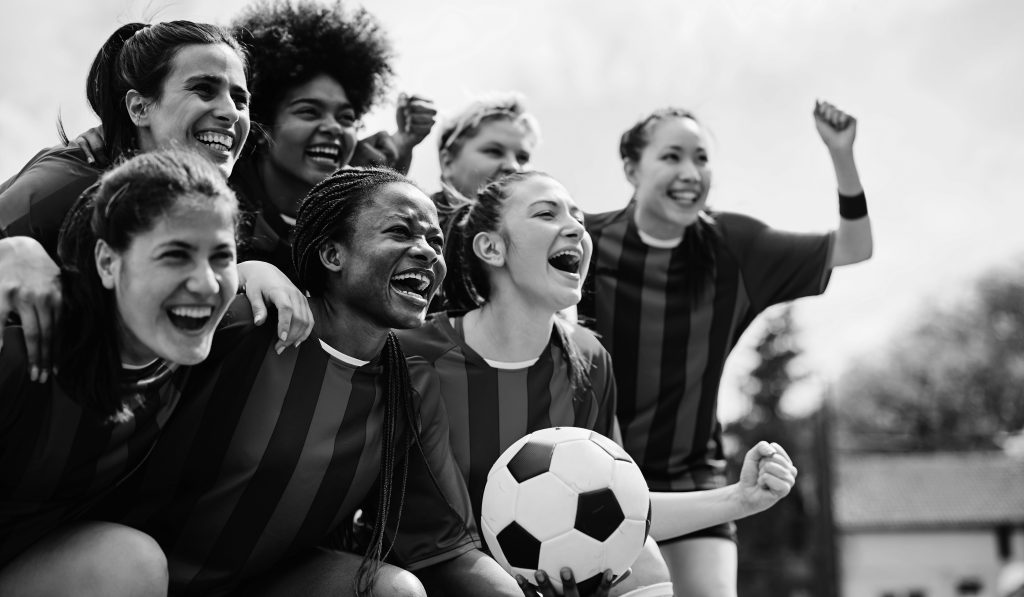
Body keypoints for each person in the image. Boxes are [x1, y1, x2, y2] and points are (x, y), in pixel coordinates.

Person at [86, 167, 527, 597]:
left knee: (393, 591)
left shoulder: (410, 386)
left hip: (261, 584)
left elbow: (446, 546)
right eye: (400, 232)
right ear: (333, 255)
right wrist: (243, 271)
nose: (429, 252)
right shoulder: (246, 326)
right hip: (129, 565)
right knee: (136, 559)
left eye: (434, 241)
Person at [400, 171, 800, 597]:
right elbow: (417, 529)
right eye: (547, 214)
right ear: (491, 247)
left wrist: (742, 497)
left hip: (546, 584)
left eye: (578, 217)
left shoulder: (589, 359)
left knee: (649, 573)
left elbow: (622, 509)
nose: (576, 227)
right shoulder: (414, 354)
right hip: (426, 575)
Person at [578, 101, 873, 597]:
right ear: (631, 167)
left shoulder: (735, 247)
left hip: (695, 479)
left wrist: (842, 155)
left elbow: (855, 247)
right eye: (671, 156)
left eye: (701, 158)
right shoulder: (583, 241)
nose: (690, 172)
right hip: (595, 477)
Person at [0, 20, 310, 385]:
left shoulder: (212, 203)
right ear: (140, 108)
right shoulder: (71, 182)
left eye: (240, 99)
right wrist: (14, 251)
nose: (230, 112)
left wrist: (247, 271)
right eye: (204, 89)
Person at [0, 149, 241, 597]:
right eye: (175, 255)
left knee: (131, 562)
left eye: (222, 257)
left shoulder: (176, 352)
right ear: (109, 263)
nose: (208, 283)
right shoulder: (21, 352)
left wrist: (265, 272)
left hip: (27, 561)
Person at [229, 0, 437, 277]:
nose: (334, 128)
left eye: (346, 118)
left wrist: (400, 149)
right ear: (261, 125)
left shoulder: (353, 206)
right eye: (309, 112)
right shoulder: (219, 199)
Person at [432, 93, 540, 228]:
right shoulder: (414, 222)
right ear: (447, 162)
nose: (513, 166)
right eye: (494, 151)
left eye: (522, 158)